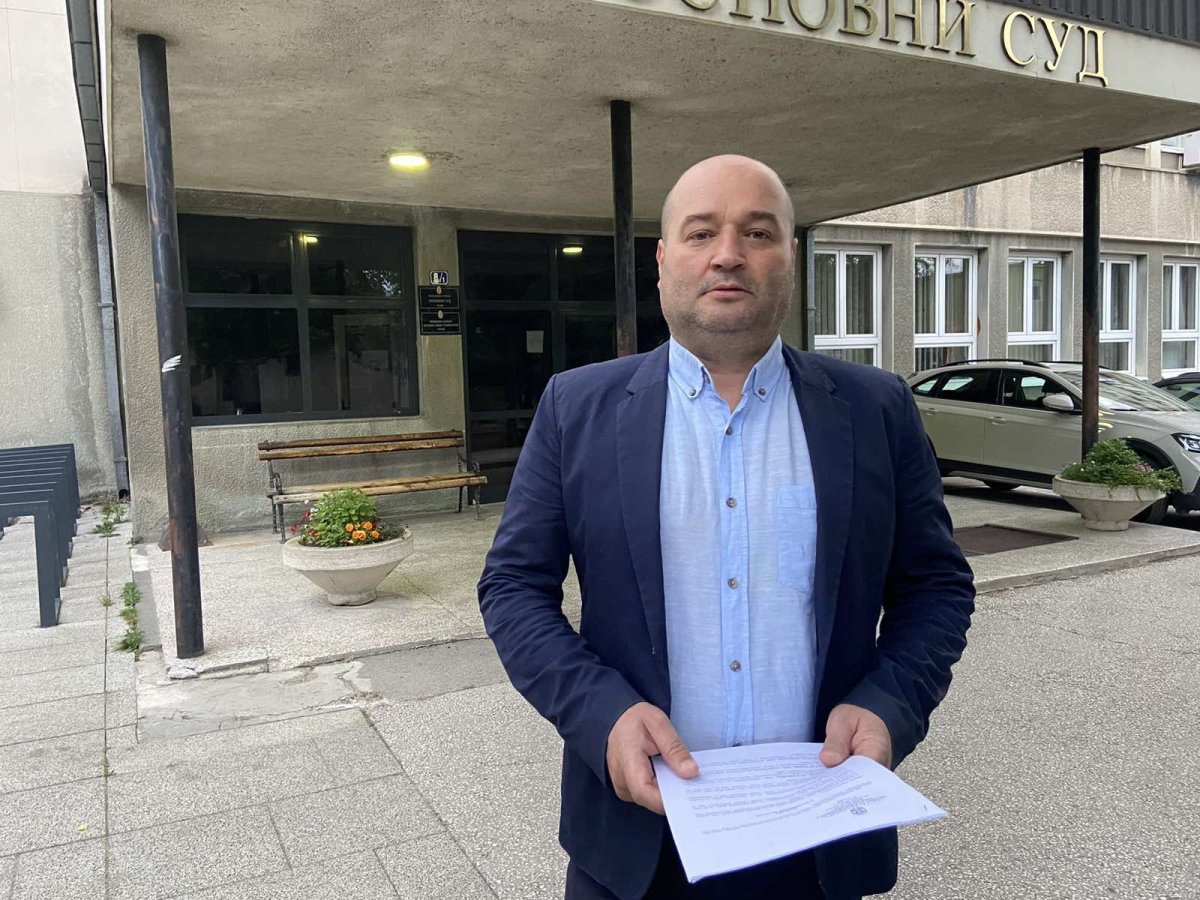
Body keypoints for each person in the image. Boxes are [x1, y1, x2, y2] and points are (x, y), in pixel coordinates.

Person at [477, 154, 975, 900]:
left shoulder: (876, 409)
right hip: (636, 842)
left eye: (757, 233)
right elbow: (513, 587)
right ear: (662, 261)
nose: (728, 255)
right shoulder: (575, 409)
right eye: (701, 232)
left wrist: (889, 705)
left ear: (791, 258)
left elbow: (936, 587)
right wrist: (601, 716)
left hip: (821, 833)